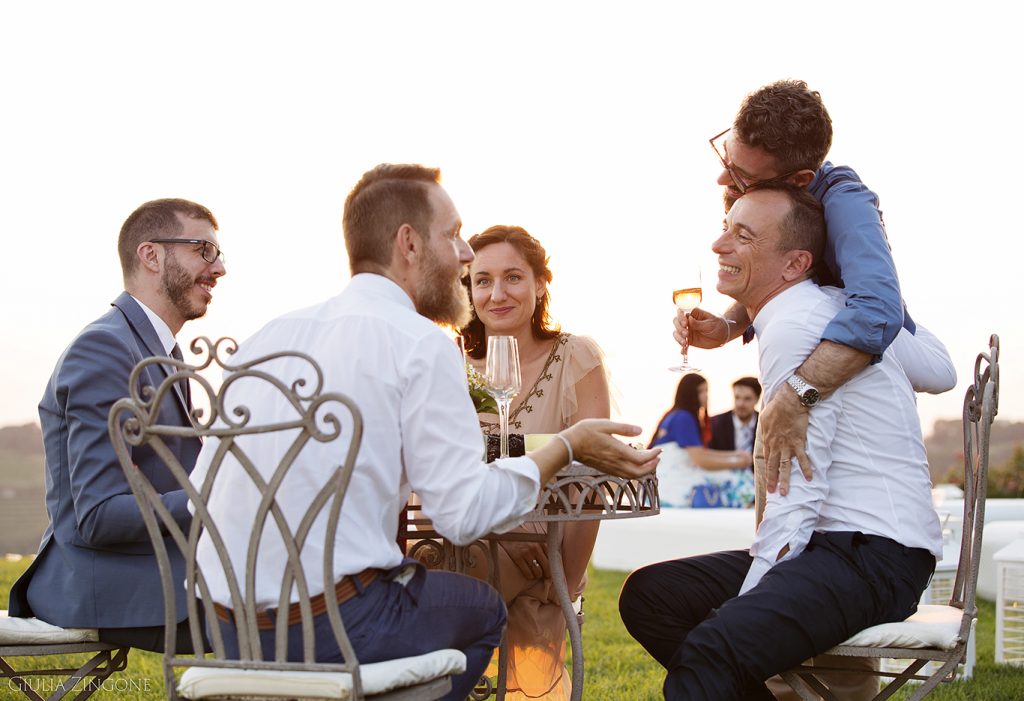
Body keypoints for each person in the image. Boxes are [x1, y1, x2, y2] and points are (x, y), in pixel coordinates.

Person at [188, 164, 660, 701]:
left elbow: (202, 492)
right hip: (333, 625)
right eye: (452, 234)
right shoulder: (419, 342)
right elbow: (463, 515)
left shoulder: (270, 336)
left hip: (223, 624)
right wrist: (566, 446)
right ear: (409, 244)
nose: (465, 253)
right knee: (480, 609)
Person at [619, 184, 942, 700]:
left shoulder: (796, 325)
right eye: (726, 228)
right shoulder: (827, 309)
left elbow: (798, 492)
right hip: (835, 546)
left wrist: (749, 598)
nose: (718, 245)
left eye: (743, 236)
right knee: (651, 596)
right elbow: (940, 371)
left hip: (873, 555)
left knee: (714, 648)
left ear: (794, 264)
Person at [675, 79, 956, 504]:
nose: (722, 179)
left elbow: (877, 313)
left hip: (911, 347)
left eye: (742, 176)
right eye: (726, 157)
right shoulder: (767, 199)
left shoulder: (845, 202)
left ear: (800, 179)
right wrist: (729, 326)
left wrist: (796, 396)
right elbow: (773, 280)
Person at [7, 199, 226, 653]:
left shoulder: (158, 351)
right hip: (109, 590)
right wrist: (218, 498)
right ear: (151, 255)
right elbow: (98, 514)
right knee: (297, 623)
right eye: (203, 250)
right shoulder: (105, 348)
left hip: (164, 574)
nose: (219, 268)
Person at [458, 224, 609, 699]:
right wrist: (500, 530)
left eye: (513, 277)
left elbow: (592, 477)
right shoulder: (452, 365)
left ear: (541, 283)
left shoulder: (575, 357)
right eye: (482, 281)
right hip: (469, 533)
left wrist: (564, 579)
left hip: (545, 548)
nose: (497, 294)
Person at [650, 373, 754, 508]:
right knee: (741, 478)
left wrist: (735, 455)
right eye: (702, 391)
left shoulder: (674, 414)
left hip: (662, 479)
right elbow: (700, 460)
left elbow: (700, 452)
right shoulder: (684, 418)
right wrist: (736, 462)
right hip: (673, 482)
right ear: (691, 394)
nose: (706, 396)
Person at [708, 376, 761, 466]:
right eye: (737, 398)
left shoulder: (766, 424)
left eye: (747, 399)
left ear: (757, 399)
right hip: (723, 473)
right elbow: (708, 456)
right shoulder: (715, 423)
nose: (740, 404)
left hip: (758, 474)